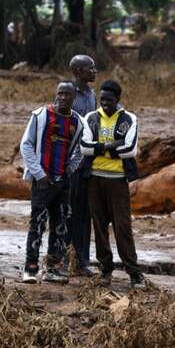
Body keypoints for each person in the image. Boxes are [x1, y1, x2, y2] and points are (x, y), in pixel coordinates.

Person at [80, 79, 146, 289]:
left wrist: (99, 147)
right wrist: (111, 146)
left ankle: (134, 273)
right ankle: (105, 270)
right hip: (94, 180)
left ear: (117, 99)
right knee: (99, 227)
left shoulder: (129, 119)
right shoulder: (91, 118)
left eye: (109, 100)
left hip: (118, 181)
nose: (105, 103)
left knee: (122, 227)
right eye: (102, 99)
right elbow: (84, 147)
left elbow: (130, 150)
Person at [19, 82, 84, 283]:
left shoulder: (77, 122)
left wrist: (69, 169)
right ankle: (30, 268)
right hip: (42, 182)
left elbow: (80, 151)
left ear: (74, 97)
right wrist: (38, 174)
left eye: (67, 94)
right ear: (56, 94)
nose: (63, 98)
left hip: (62, 182)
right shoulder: (41, 116)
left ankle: (53, 268)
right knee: (37, 224)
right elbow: (26, 144)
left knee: (60, 225)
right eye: (60, 93)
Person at [68, 54, 98, 276]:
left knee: (85, 212)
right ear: (78, 72)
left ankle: (82, 260)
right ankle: (65, 257)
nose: (94, 71)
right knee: (68, 211)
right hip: (70, 160)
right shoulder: (68, 94)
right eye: (90, 68)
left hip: (89, 158)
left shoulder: (92, 94)